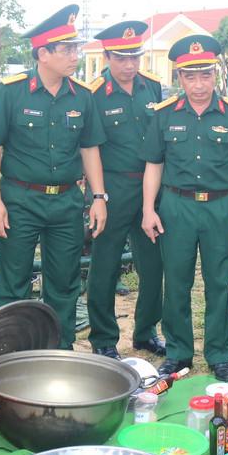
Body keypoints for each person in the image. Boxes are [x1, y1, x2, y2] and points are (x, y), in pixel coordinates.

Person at [0, 5, 107, 349]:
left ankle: (58, 351)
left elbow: (90, 149)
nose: (74, 56)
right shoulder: (11, 91)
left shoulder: (82, 95)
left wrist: (99, 198)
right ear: (43, 53)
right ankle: (11, 354)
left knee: (64, 284)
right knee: (13, 283)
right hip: (20, 200)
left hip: (67, 202)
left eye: (75, 48)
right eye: (67, 49)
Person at [140, 34, 228, 382]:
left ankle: (220, 354)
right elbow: (154, 165)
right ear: (179, 78)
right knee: (176, 281)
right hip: (176, 206)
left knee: (219, 282)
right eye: (190, 76)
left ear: (215, 75)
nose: (198, 84)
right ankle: (178, 353)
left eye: (205, 75)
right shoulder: (164, 116)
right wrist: (149, 209)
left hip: (220, 208)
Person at [85, 20, 165, 359]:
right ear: (108, 56)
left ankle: (146, 331)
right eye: (121, 58)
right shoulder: (91, 94)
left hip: (151, 188)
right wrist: (97, 196)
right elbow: (89, 150)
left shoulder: (153, 88)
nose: (129, 65)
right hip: (112, 187)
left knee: (153, 265)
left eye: (134, 57)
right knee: (105, 264)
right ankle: (104, 338)